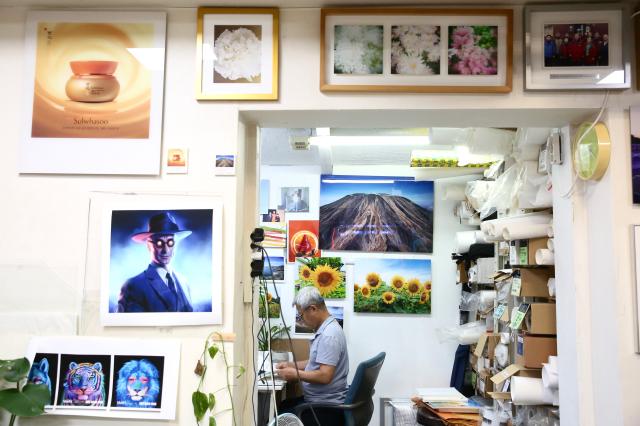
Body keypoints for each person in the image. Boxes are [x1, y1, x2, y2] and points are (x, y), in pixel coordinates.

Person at [276, 287, 348, 425]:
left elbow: (325, 375)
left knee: (279, 417)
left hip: (325, 408)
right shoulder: (328, 328)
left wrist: (296, 374)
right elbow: (318, 362)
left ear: (313, 309)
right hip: (321, 401)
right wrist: (292, 365)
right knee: (283, 406)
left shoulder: (329, 335)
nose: (301, 320)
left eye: (300, 315)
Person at [118, 212, 194, 313]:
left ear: (175, 244)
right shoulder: (133, 286)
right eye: (159, 243)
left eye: (170, 242)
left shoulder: (184, 282)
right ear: (149, 245)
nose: (166, 250)